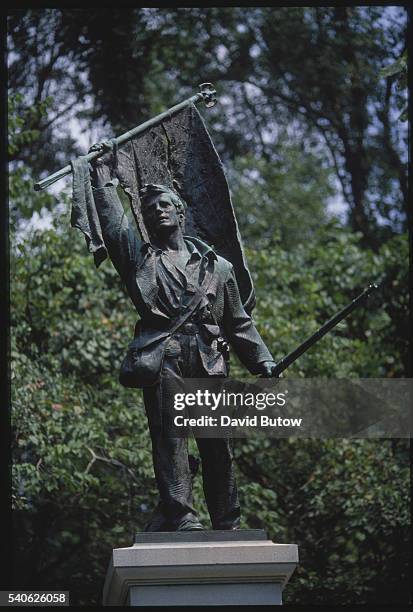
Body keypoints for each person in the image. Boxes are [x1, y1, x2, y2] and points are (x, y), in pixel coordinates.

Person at [88, 142, 277, 531]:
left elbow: (239, 324)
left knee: (216, 444)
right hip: (167, 359)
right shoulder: (143, 261)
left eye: (164, 205)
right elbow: (115, 226)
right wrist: (104, 176)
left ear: (180, 211)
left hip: (209, 360)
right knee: (171, 441)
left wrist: (264, 362)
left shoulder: (218, 267)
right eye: (150, 209)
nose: (157, 211)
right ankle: (183, 517)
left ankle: (227, 519)